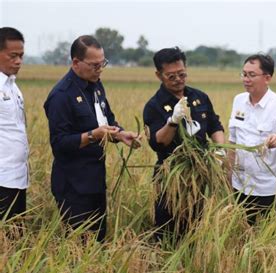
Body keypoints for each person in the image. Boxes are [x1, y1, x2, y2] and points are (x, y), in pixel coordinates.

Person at [44, 35, 140, 242]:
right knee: (78, 246)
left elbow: (107, 119)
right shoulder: (61, 96)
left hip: (95, 181)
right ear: (76, 63)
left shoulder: (96, 85)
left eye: (102, 63)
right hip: (72, 186)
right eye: (94, 65)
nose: (100, 69)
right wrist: (92, 135)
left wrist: (121, 134)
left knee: (98, 241)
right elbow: (59, 144)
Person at [143, 47, 225, 241]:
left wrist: (220, 149)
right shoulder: (154, 105)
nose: (178, 79)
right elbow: (158, 142)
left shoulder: (199, 97)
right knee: (167, 229)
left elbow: (214, 126)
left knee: (197, 226)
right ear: (159, 75)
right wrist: (172, 121)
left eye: (182, 74)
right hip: (170, 176)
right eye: (171, 76)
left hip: (200, 174)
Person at [228, 54, 276, 225]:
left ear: (267, 78)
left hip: (268, 189)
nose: (246, 79)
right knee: (242, 231)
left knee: (268, 235)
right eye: (244, 74)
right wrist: (228, 175)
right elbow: (232, 141)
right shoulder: (239, 100)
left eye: (252, 75)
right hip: (240, 185)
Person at [0, 27, 28, 221]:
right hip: (1, 178)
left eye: (21, 56)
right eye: (13, 56)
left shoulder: (13, 86)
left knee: (16, 238)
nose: (18, 61)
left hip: (18, 177)